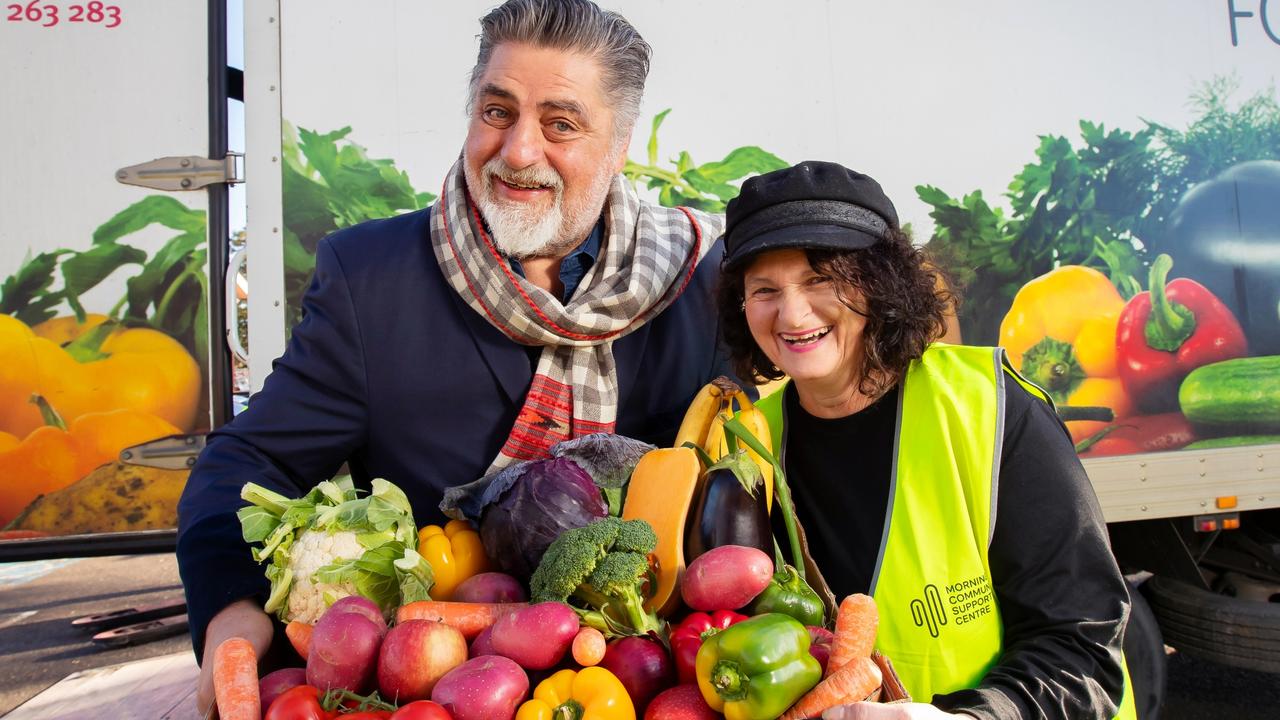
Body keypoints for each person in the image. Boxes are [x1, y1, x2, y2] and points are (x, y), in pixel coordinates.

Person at [178, 0, 733, 711]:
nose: (518, 151)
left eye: (560, 124)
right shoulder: (371, 278)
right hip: (433, 689)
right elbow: (251, 463)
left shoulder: (702, 278)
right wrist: (232, 614)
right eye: (497, 111)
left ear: (618, 145)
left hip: (646, 682)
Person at [715, 161, 1135, 719]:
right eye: (764, 289)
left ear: (879, 281)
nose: (792, 313)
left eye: (821, 279)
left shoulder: (993, 407)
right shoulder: (745, 446)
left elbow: (1083, 646)